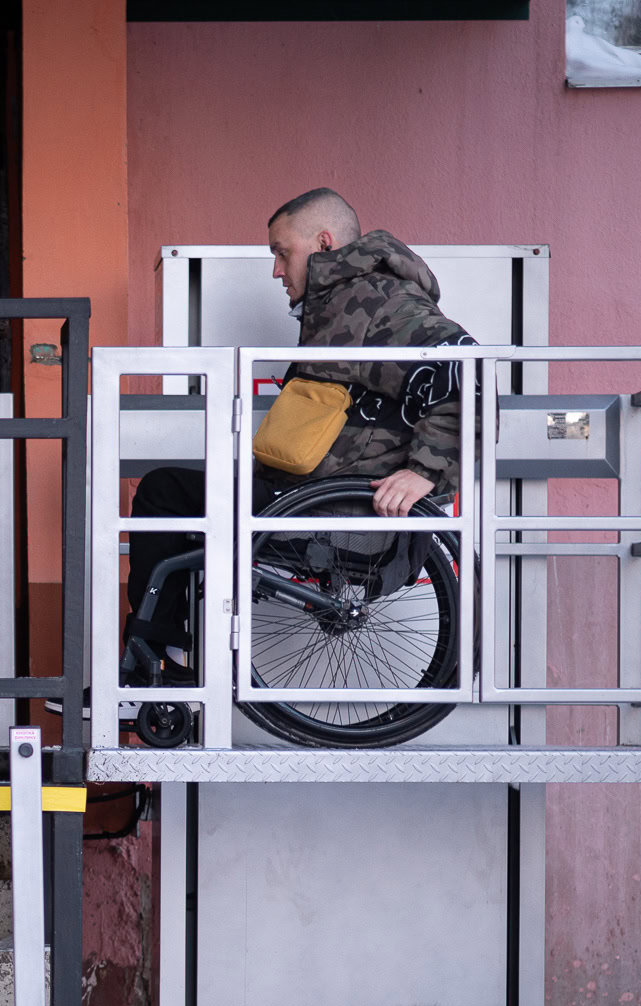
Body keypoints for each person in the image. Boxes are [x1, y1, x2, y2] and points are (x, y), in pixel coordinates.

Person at [124, 187, 476, 668]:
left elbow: (469, 374)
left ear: (325, 243)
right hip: (315, 497)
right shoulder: (343, 304)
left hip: (341, 515)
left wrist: (425, 473)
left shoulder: (378, 304)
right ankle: (163, 661)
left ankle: (149, 665)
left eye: (281, 252)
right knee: (182, 505)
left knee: (163, 493)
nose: (275, 270)